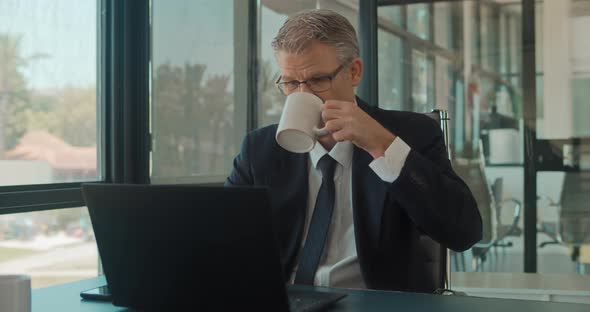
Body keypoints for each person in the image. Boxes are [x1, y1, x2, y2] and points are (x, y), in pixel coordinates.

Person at [226, 9, 482, 293]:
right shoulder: (260, 150)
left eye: (317, 80)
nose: (302, 95)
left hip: (375, 304)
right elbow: (222, 239)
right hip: (287, 300)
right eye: (290, 82)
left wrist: (382, 145)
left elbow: (464, 233)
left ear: (354, 71)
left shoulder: (413, 134)